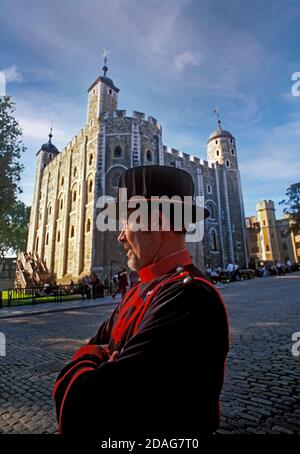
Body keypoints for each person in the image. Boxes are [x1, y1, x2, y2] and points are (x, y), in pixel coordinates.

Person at [53, 165, 229, 437]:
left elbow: (89, 406)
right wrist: (95, 355)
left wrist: (93, 358)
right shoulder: (139, 289)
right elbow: (93, 348)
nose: (120, 235)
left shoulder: (190, 296)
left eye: (127, 221)